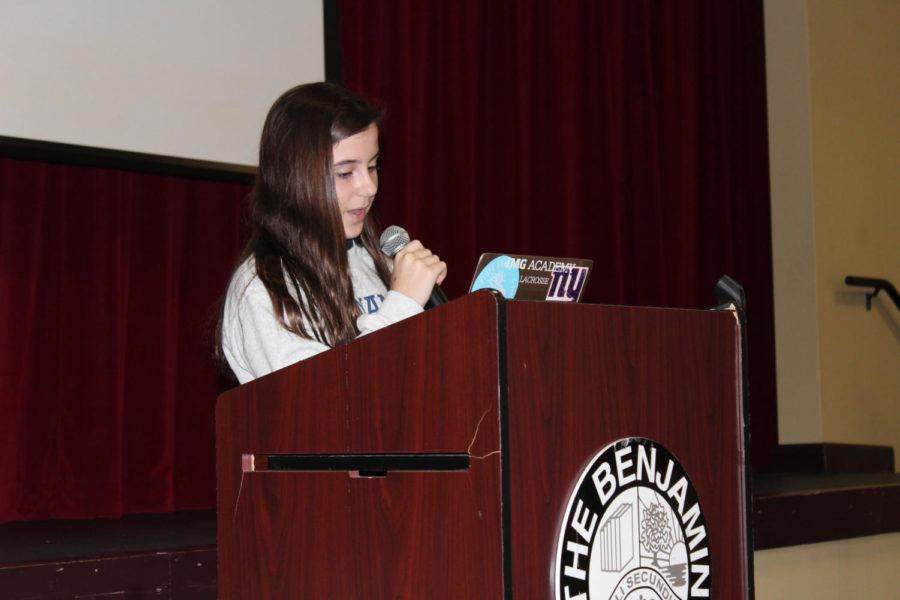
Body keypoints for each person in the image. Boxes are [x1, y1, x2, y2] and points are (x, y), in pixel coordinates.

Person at [216, 82, 446, 384]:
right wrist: (402, 303)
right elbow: (323, 404)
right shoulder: (263, 288)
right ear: (296, 178)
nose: (369, 187)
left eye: (373, 166)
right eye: (345, 173)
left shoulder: (376, 261)